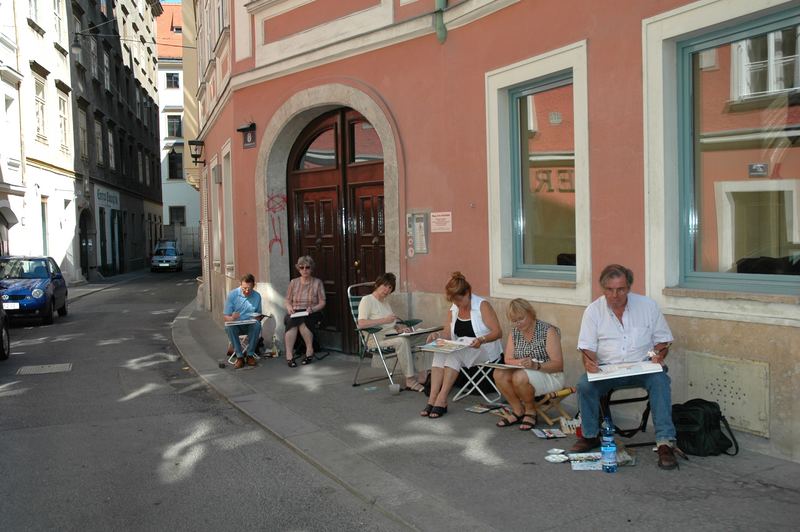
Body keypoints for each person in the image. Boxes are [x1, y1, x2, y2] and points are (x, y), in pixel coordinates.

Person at [572, 264, 678, 470]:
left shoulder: (648, 306)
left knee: (661, 380)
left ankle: (665, 442)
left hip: (643, 367)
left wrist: (659, 355)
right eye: (609, 290)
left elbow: (663, 341)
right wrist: (589, 361)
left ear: (629, 287)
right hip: (608, 369)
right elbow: (587, 348)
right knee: (584, 385)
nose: (615, 295)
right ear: (603, 289)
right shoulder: (593, 311)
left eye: (620, 289)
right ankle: (590, 435)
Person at [421, 272, 503, 419]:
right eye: (454, 301)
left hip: (484, 348)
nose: (457, 304)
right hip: (463, 347)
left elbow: (498, 332)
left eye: (459, 300)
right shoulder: (454, 308)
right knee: (439, 352)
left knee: (454, 354)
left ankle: (442, 398)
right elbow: (447, 332)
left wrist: (481, 339)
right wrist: (437, 336)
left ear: (468, 293)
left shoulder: (482, 305)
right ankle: (432, 399)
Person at [493, 299, 565, 431]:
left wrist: (535, 365)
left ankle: (531, 411)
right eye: (514, 320)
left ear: (531, 313)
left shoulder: (548, 331)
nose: (518, 323)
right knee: (498, 373)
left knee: (519, 376)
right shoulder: (515, 332)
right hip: (525, 371)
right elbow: (508, 359)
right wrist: (523, 363)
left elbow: (558, 365)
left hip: (550, 374)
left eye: (521, 319)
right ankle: (517, 410)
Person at [357, 273, 429, 392]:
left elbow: (390, 324)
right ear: (377, 284)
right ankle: (410, 380)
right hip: (376, 340)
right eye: (385, 286)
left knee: (424, 335)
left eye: (390, 288)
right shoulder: (367, 300)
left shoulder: (385, 302)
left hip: (392, 335)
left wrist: (399, 328)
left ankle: (423, 374)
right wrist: (385, 320)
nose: (387, 290)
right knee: (402, 341)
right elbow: (361, 324)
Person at [284, 255, 326, 367]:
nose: (304, 270)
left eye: (307, 267)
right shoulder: (293, 282)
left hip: (312, 311)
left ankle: (309, 350)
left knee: (303, 321)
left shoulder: (317, 282)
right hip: (295, 311)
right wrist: (289, 307)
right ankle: (289, 355)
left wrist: (313, 309)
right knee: (292, 323)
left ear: (311, 268)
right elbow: (287, 300)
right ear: (298, 268)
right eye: (301, 267)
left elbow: (322, 302)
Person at [223, 273, 264, 369]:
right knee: (228, 326)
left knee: (257, 325)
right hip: (236, 325)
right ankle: (239, 356)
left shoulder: (257, 296)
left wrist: (258, 317)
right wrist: (232, 318)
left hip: (249, 324)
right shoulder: (233, 295)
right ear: (240, 284)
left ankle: (250, 354)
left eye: (248, 289)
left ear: (254, 285)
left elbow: (258, 314)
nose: (246, 291)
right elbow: (225, 317)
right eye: (243, 288)